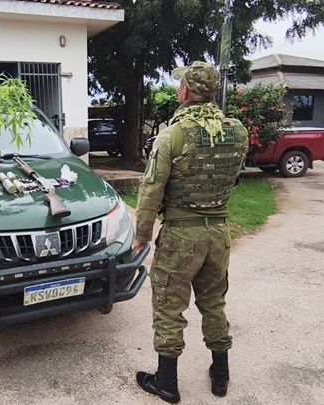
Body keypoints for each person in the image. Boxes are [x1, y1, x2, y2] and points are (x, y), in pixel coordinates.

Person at [132, 61, 249, 403]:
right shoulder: (237, 131)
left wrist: (141, 235)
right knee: (214, 301)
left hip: (182, 235)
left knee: (169, 305)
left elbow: (151, 190)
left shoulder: (172, 134)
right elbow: (232, 178)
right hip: (219, 232)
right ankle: (221, 375)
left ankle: (166, 383)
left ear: (185, 90)